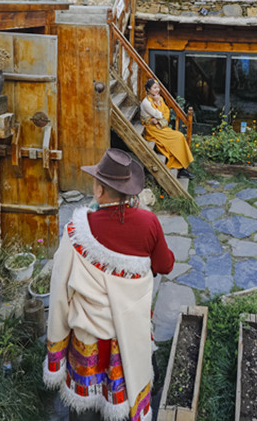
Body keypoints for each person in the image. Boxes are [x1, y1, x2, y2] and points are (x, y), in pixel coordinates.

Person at [45, 148, 174, 421]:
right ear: (129, 192)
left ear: (100, 190)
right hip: (131, 332)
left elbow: (59, 294)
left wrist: (56, 347)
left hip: (87, 338)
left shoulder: (75, 233)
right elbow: (165, 265)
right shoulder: (149, 223)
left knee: (84, 414)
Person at [140, 78, 195, 179]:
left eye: (158, 87)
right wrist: (158, 105)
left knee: (179, 136)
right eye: (154, 88)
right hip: (152, 129)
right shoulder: (146, 103)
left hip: (160, 126)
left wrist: (159, 112)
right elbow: (160, 115)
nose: (157, 90)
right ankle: (181, 168)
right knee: (178, 137)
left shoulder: (159, 98)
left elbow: (167, 114)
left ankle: (182, 168)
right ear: (148, 89)